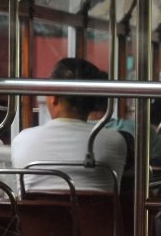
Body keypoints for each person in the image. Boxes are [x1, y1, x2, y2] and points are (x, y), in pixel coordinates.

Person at [11, 58, 127, 193]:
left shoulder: (23, 140)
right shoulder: (115, 141)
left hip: (38, 215)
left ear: (53, 97)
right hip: (94, 214)